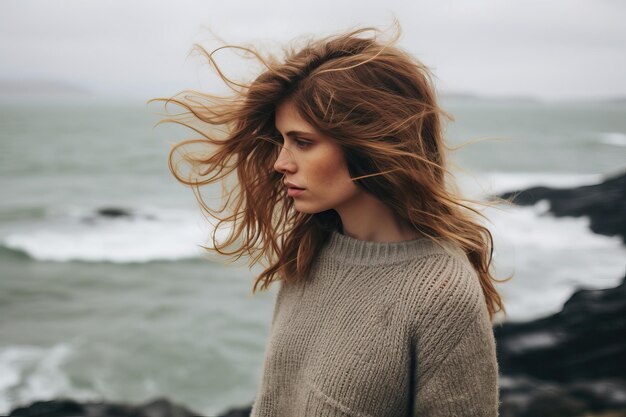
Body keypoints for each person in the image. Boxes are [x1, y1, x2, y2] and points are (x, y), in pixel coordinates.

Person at [151, 19, 512, 417]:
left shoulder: (442, 292)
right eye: (282, 140)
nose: (280, 163)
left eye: (302, 142)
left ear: (373, 142)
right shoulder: (310, 252)